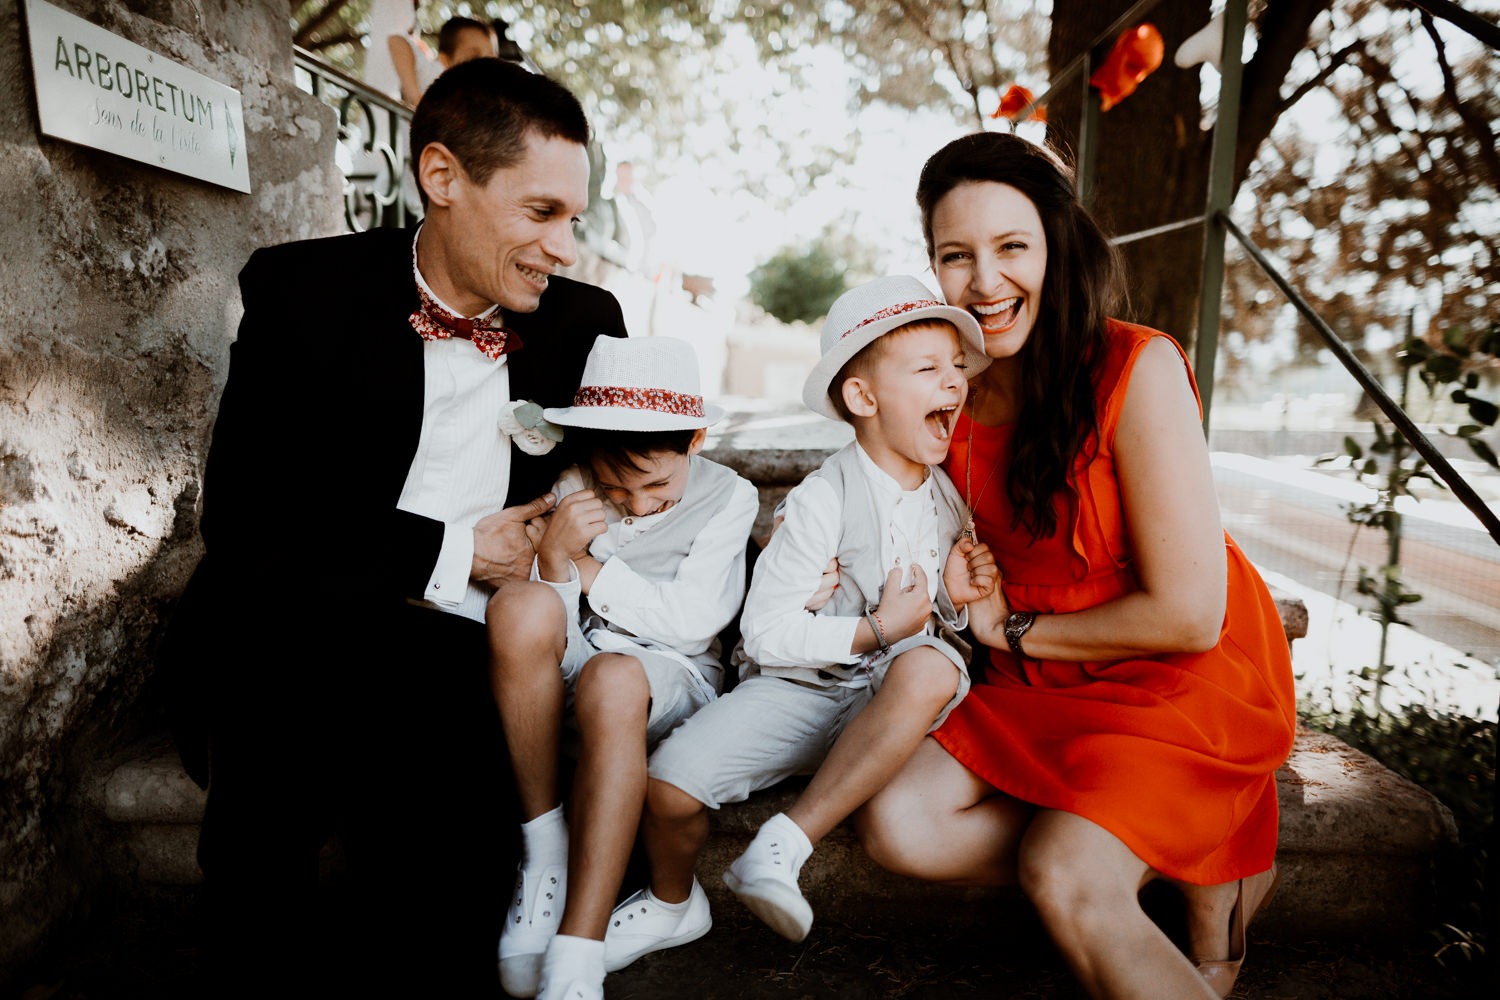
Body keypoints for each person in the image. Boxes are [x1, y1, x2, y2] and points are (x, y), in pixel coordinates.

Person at [159, 58, 629, 996]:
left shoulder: (585, 323)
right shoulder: (303, 293)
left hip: (464, 642)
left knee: (445, 894)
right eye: (542, 214)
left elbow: (644, 472)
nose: (566, 247)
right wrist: (453, 549)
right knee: (259, 861)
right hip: (301, 612)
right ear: (443, 177)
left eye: (574, 218)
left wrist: (587, 522)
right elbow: (250, 516)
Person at [852, 131, 1298, 1000]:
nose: (985, 283)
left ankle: (1137, 855)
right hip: (1042, 681)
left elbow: (1189, 616)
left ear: (1056, 247)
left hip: (1175, 672)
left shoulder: (1139, 365)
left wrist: (1013, 628)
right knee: (899, 824)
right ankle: (1178, 851)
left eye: (1012, 247)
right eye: (956, 255)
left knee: (1065, 870)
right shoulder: (947, 388)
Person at [601, 275, 998, 973]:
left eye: (958, 368)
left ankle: (782, 843)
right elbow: (767, 636)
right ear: (863, 398)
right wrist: (874, 629)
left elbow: (925, 617)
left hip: (891, 704)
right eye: (930, 368)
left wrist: (954, 599)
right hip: (801, 689)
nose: (954, 383)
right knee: (667, 787)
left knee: (933, 664)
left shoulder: (947, 493)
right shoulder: (821, 499)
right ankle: (672, 902)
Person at [489, 335, 759, 1000]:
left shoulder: (731, 497)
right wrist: (555, 564)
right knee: (519, 607)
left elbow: (693, 621)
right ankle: (545, 849)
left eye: (657, 485)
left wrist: (590, 569)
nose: (637, 504)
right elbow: (552, 614)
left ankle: (576, 955)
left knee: (616, 676)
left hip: (676, 676)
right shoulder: (576, 483)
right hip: (584, 659)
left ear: (695, 441)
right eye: (618, 487)